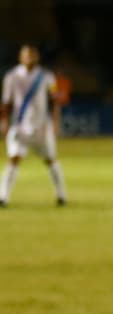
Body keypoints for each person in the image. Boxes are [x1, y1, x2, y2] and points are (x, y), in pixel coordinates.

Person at [0, 44, 68, 207]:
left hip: (41, 127)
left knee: (50, 160)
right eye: (27, 55)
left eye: (32, 55)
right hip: (19, 126)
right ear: (20, 57)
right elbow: (6, 103)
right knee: (14, 159)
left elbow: (54, 101)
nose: (30, 58)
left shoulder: (46, 77)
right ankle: (3, 197)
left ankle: (61, 195)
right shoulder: (11, 77)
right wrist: (4, 123)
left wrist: (56, 122)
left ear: (37, 57)